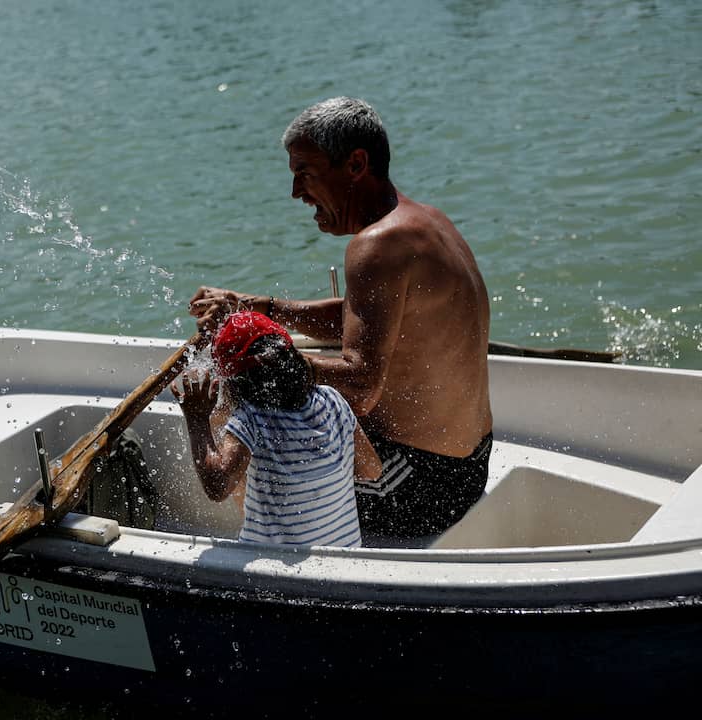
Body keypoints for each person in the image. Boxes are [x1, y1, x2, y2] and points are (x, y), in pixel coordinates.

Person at [188, 97, 494, 540]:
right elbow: (363, 316)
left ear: (355, 164)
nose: (296, 193)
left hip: (420, 488)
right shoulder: (424, 222)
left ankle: (277, 551)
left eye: (305, 174)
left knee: (232, 411)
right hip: (468, 467)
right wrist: (261, 309)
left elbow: (362, 385)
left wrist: (264, 359)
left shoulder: (375, 246)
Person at [173, 311, 380, 548]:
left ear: (234, 382)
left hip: (274, 573)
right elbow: (371, 470)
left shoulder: (250, 418)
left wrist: (197, 419)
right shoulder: (332, 399)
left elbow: (217, 488)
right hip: (345, 559)